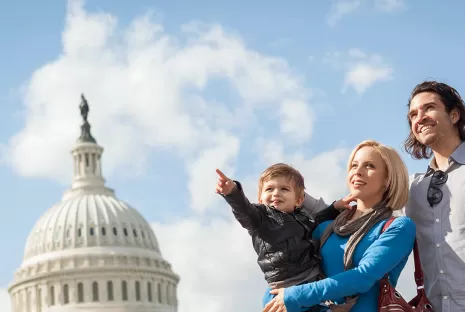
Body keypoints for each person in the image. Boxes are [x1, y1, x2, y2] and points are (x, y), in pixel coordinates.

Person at [263, 140, 416, 312]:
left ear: (388, 179)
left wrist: (294, 295)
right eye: (354, 165)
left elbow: (362, 277)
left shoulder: (398, 227)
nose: (357, 171)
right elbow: (287, 270)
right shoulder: (325, 228)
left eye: (369, 166)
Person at [215, 163, 354, 310]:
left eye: (284, 189)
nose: (276, 193)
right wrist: (233, 193)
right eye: (269, 189)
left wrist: (334, 208)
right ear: (260, 198)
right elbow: (244, 210)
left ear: (299, 200)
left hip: (311, 280)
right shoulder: (261, 219)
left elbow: (318, 221)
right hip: (284, 285)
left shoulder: (302, 218)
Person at [402, 80, 465, 311]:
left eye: (429, 108)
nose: (420, 118)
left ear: (454, 115)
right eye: (413, 114)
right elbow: (361, 209)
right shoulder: (411, 188)